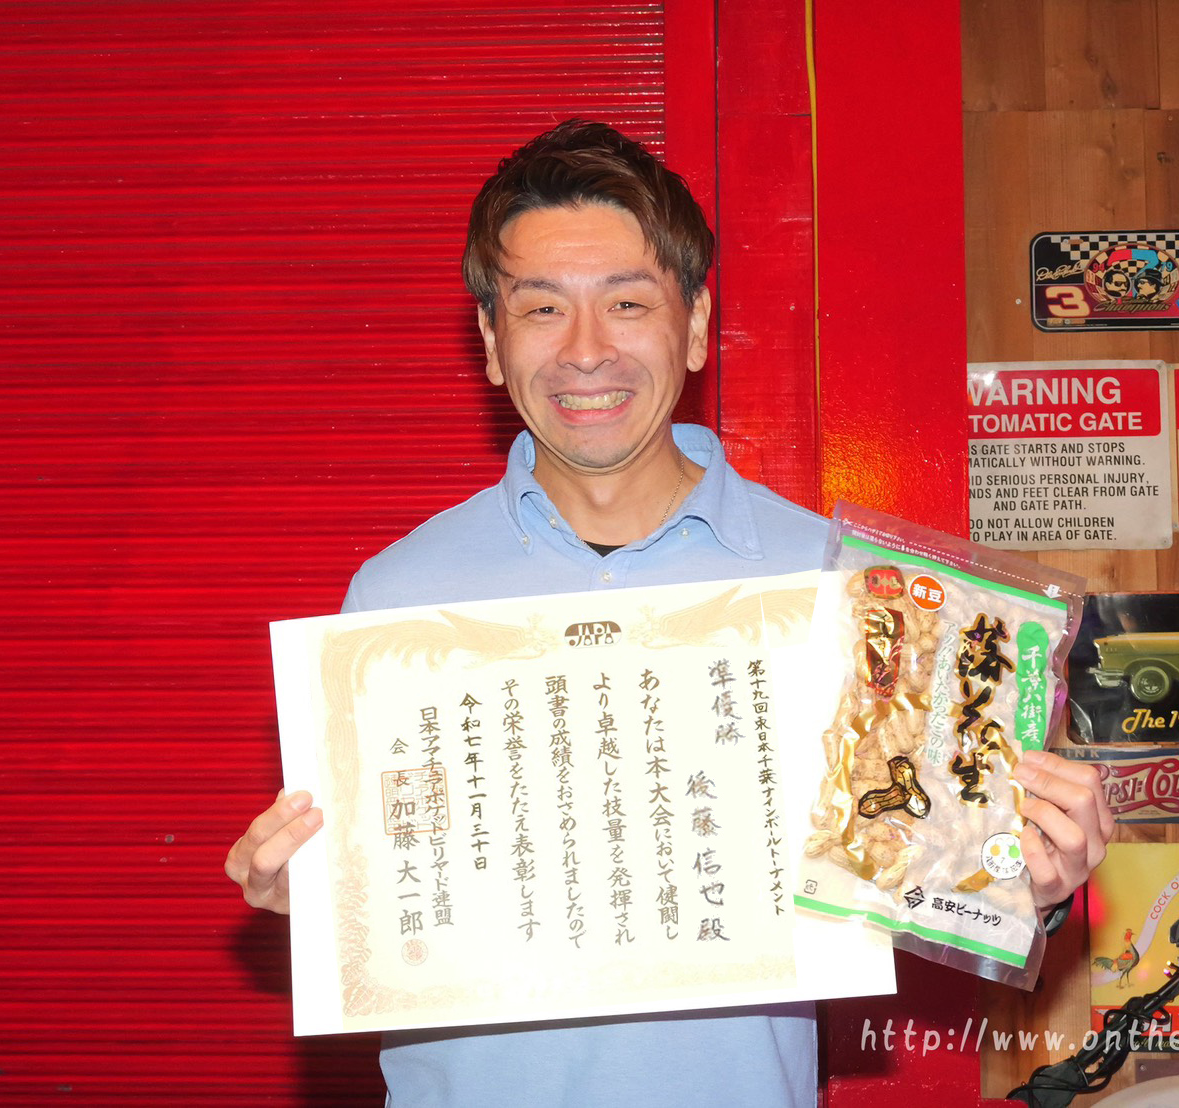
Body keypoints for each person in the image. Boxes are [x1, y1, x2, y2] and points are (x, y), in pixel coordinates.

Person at [225, 120, 1114, 1107]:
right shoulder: (394, 601)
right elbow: (389, 899)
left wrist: (1023, 876)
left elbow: (937, 866)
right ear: (490, 341)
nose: (585, 351)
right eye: (541, 309)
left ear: (693, 326)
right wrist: (312, 895)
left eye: (628, 303)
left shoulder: (842, 590)